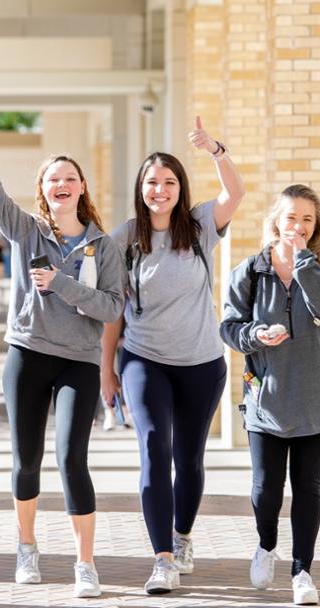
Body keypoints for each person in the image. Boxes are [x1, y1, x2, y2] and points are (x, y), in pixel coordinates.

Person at [0, 86, 124, 598]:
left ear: (82, 187)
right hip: (28, 355)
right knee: (26, 459)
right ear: (43, 187)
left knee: (72, 459)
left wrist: (63, 284)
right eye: (53, 178)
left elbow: (111, 308)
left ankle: (85, 563)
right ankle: (27, 548)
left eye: (70, 178)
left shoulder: (102, 244)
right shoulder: (25, 231)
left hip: (77, 361)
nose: (62, 184)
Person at [101, 118, 245, 594]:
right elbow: (114, 310)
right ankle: (161, 555)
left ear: (180, 188)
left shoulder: (200, 225)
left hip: (202, 363)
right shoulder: (124, 239)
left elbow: (235, 195)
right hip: (144, 360)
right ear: (140, 189)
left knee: (189, 457)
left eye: (168, 182)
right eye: (151, 182)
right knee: (153, 447)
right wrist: (107, 369)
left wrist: (215, 151)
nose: (159, 189)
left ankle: (183, 537)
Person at [219, 184, 320, 606]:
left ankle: (302, 571)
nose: (298, 225)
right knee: (266, 489)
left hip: (315, 394)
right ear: (276, 220)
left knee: (307, 487)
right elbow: (229, 327)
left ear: (316, 227)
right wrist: (256, 335)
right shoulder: (250, 271)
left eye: (307, 219)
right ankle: (265, 544)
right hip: (267, 398)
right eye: (291, 217)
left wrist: (305, 264)